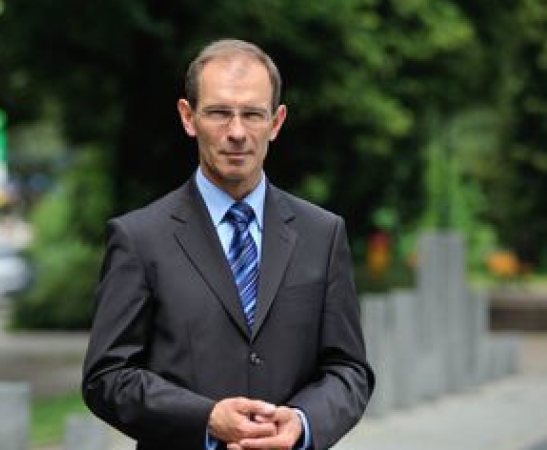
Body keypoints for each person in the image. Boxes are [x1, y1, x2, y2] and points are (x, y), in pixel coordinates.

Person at [82, 38, 374, 450]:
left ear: (276, 122)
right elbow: (106, 377)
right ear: (188, 117)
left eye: (252, 114)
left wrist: (302, 422)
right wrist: (205, 419)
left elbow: (349, 370)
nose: (236, 132)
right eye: (219, 113)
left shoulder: (323, 235)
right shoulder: (139, 238)